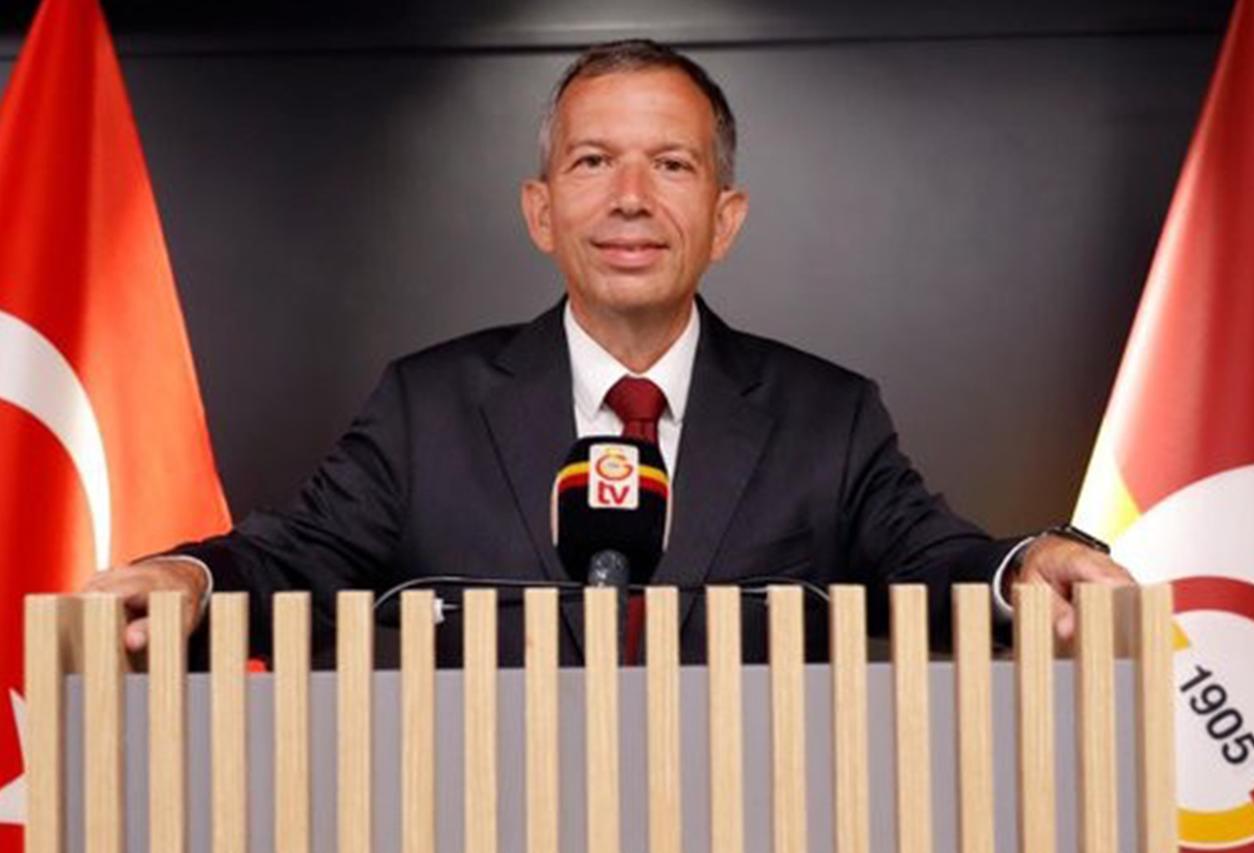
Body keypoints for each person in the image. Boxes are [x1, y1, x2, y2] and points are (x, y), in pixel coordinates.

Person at [84, 39, 1131, 665]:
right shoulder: (428, 405)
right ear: (541, 211)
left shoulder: (828, 415)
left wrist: (1020, 565)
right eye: (592, 162)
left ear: (723, 217)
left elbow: (929, 558)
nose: (629, 198)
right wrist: (190, 574)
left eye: (670, 164)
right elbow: (299, 558)